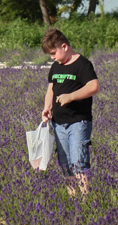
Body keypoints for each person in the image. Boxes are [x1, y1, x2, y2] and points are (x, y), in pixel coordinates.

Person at [41, 28, 100, 194]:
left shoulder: (83, 64)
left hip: (78, 122)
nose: (52, 57)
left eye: (53, 53)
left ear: (64, 46)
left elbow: (94, 86)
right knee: (65, 163)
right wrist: (47, 107)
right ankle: (74, 200)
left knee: (79, 161)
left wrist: (71, 96)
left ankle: (85, 199)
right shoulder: (55, 67)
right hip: (58, 123)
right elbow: (50, 90)